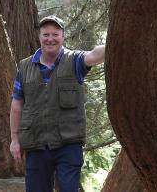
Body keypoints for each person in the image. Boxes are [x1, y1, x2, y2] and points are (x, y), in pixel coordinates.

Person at [9, 15, 106, 192]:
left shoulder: (75, 60)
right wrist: (14, 139)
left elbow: (94, 55)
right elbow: (17, 104)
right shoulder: (24, 67)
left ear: (62, 36)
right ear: (39, 37)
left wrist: (115, 41)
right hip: (36, 145)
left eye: (55, 34)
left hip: (68, 145)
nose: (50, 39)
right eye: (46, 34)